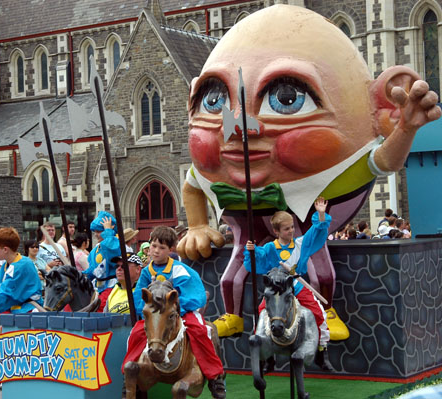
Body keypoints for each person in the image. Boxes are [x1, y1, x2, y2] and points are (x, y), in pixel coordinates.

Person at [177, 4, 441, 340]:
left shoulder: (335, 179)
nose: (241, 128)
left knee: (322, 272)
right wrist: (198, 224)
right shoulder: (221, 177)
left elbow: (385, 161)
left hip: (305, 243)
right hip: (249, 227)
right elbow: (191, 185)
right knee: (231, 277)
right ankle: (232, 316)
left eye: (286, 98)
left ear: (382, 107)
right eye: (214, 100)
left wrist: (405, 129)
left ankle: (326, 312)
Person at [123, 226, 226, 398]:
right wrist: (146, 310)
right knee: (135, 333)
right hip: (156, 315)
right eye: (154, 246)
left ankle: (215, 376)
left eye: (162, 248)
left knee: (202, 331)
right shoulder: (147, 272)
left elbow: (197, 296)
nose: (156, 251)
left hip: (182, 313)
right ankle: (127, 376)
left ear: (170, 250)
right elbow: (138, 297)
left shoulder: (180, 269)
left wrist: (177, 307)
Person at [244, 198, 334, 371]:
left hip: (297, 286)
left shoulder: (301, 244)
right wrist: (251, 251)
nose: (291, 231)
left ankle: (322, 352)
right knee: (261, 319)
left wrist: (321, 213)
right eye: (287, 229)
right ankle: (267, 358)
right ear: (276, 231)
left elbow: (317, 231)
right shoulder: (270, 248)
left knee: (319, 313)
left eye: (292, 227)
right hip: (276, 290)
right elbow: (255, 262)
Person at [0, 227, 43, 318]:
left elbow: (6, 292)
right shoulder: (9, 265)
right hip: (20, 310)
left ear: (5, 250)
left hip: (28, 312)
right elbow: (5, 285)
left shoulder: (21, 266)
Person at [83, 212, 120, 311]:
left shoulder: (116, 244)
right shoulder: (95, 250)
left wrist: (108, 232)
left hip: (113, 288)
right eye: (95, 231)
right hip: (97, 289)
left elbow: (113, 256)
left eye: (99, 231)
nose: (96, 235)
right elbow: (93, 270)